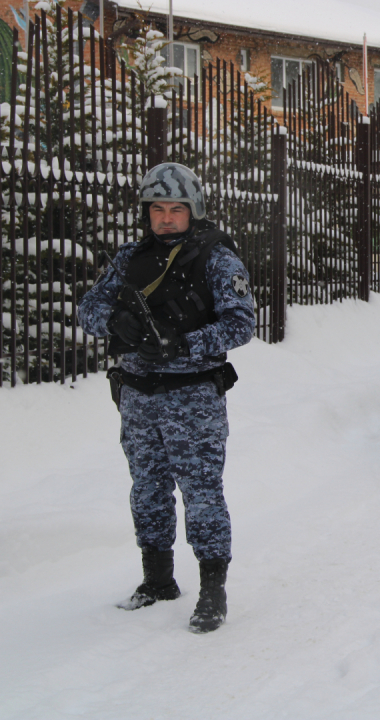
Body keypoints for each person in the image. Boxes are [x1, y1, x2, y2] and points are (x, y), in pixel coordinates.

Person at [78, 162, 255, 634]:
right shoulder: (131, 257)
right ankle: (157, 580)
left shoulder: (217, 259)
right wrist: (115, 323)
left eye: (176, 209)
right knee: (148, 490)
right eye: (157, 209)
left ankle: (212, 591)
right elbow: (89, 307)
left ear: (192, 210)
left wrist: (183, 344)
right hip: (137, 396)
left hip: (191, 396)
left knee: (201, 494)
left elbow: (241, 324)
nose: (166, 219)